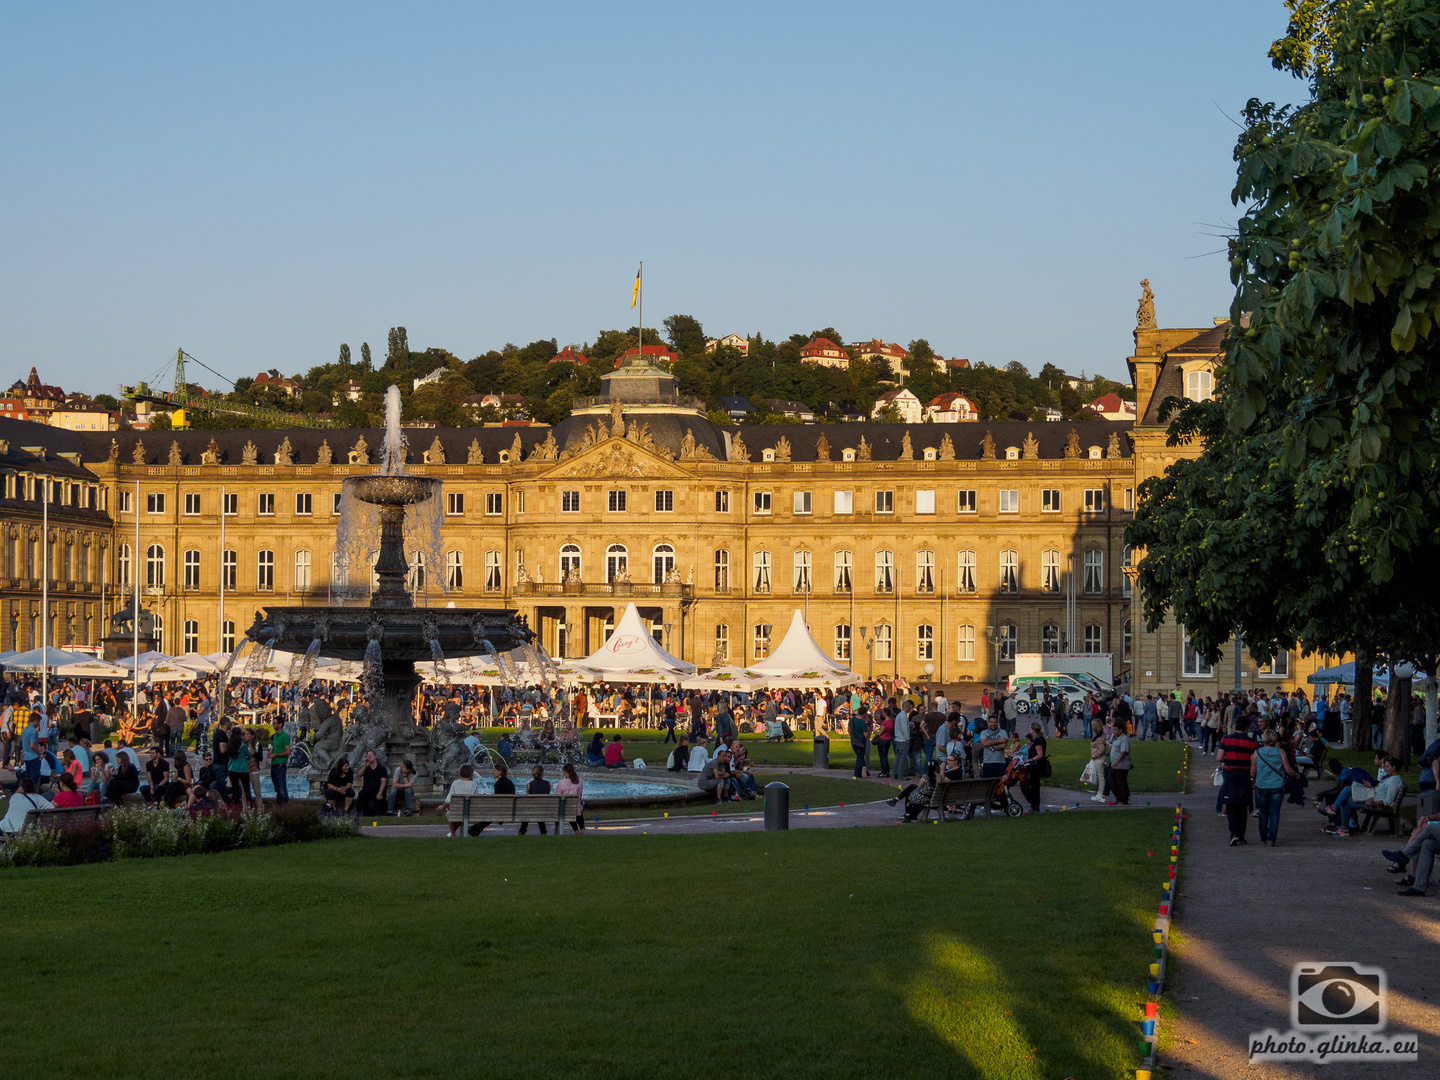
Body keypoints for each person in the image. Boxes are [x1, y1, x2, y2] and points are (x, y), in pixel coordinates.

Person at [1252, 728, 1298, 846]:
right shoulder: (1280, 752)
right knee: (1274, 812)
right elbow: (1287, 769)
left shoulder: (1257, 752)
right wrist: (1297, 775)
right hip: (1277, 785)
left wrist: (1253, 779)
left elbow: (1252, 771)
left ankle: (1263, 835)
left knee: (1263, 812)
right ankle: (1271, 838)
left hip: (1261, 785)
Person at [1218, 715, 1257, 844]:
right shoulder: (1252, 742)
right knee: (1243, 805)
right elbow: (1253, 762)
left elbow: (1219, 757)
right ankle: (1241, 833)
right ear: (1247, 728)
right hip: (1244, 775)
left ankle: (1233, 833)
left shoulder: (1226, 739)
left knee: (1231, 805)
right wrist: (1253, 778)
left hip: (1230, 775)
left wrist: (1228, 759)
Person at [467, 763, 515, 835]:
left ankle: (474, 830)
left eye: (495, 771)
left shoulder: (498, 784)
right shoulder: (510, 782)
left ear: (500, 772)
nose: (493, 772)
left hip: (501, 810)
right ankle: (474, 828)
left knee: (489, 812)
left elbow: (497, 800)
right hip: (509, 809)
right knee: (490, 813)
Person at [442, 763, 480, 837]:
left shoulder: (455, 783)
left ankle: (453, 833)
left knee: (450, 813)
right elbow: (476, 798)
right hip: (469, 811)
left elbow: (449, 799)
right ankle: (453, 833)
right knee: (462, 813)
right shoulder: (474, 784)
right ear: (471, 774)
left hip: (456, 810)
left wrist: (443, 806)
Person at [1020, 721, 1048, 813]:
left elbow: (1040, 754)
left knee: (1032, 786)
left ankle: (1035, 805)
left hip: (1036, 767)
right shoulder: (1037, 739)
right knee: (1032, 785)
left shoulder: (1038, 740)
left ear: (1032, 729)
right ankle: (1034, 804)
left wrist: (1030, 760)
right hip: (1034, 767)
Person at [519, 764, 552, 834]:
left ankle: (522, 831)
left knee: (529, 812)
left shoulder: (529, 784)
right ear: (542, 773)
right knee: (539, 811)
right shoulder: (548, 783)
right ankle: (543, 831)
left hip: (532, 809)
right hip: (544, 809)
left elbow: (528, 798)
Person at [356, 749, 389, 816]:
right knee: (361, 796)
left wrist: (380, 793)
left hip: (378, 790)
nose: (369, 756)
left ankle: (376, 813)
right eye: (368, 755)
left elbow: (383, 782)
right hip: (367, 790)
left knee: (379, 799)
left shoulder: (382, 768)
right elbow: (359, 775)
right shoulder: (365, 767)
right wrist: (365, 766)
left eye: (371, 755)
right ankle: (360, 814)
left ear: (375, 756)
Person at [557, 762, 585, 834]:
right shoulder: (580, 781)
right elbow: (580, 795)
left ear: (565, 772)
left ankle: (576, 831)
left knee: (568, 809)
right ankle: (583, 830)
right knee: (579, 808)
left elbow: (558, 796)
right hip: (577, 807)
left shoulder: (561, 783)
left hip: (566, 808)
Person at [978, 715, 1008, 779]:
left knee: (1000, 785)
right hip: (988, 762)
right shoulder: (984, 732)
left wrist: (992, 747)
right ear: (988, 723)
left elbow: (1003, 745)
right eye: (991, 722)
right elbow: (985, 743)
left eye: (995, 722)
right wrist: (999, 741)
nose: (993, 724)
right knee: (987, 784)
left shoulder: (1003, 732)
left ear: (997, 723)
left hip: (1000, 762)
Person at [1108, 723, 1132, 805]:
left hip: (1121, 765)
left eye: (1115, 730)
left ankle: (1123, 799)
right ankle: (1120, 797)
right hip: (1115, 765)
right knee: (1111, 780)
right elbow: (1115, 748)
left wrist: (1117, 761)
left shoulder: (1124, 739)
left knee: (1120, 782)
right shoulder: (1117, 739)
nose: (1113, 732)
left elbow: (1123, 751)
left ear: (1120, 730)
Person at [270, 723, 292, 806]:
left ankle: (285, 807)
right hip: (274, 765)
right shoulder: (275, 736)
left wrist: (276, 755)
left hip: (280, 765)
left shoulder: (284, 736)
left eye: (275, 723)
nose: (273, 724)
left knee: (282, 788)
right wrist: (271, 753)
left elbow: (288, 751)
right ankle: (279, 806)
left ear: (280, 724)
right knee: (277, 789)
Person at [848, 707, 869, 779]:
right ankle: (857, 773)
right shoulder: (863, 723)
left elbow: (849, 730)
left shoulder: (852, 720)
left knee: (859, 756)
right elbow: (865, 734)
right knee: (859, 757)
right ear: (864, 714)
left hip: (853, 740)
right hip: (861, 741)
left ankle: (864, 769)